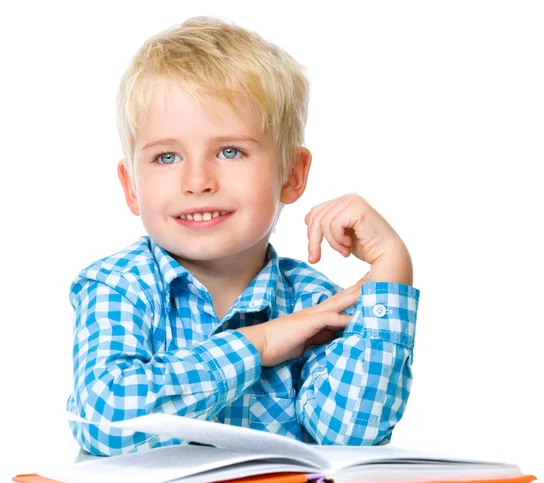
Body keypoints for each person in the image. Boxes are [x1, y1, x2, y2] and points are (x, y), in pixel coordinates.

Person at [66, 16, 420, 456]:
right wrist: (260, 343)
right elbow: (106, 421)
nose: (197, 181)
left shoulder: (313, 301)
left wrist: (391, 270)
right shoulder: (119, 286)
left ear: (291, 174)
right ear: (131, 187)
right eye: (166, 156)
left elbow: (351, 436)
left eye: (230, 151)